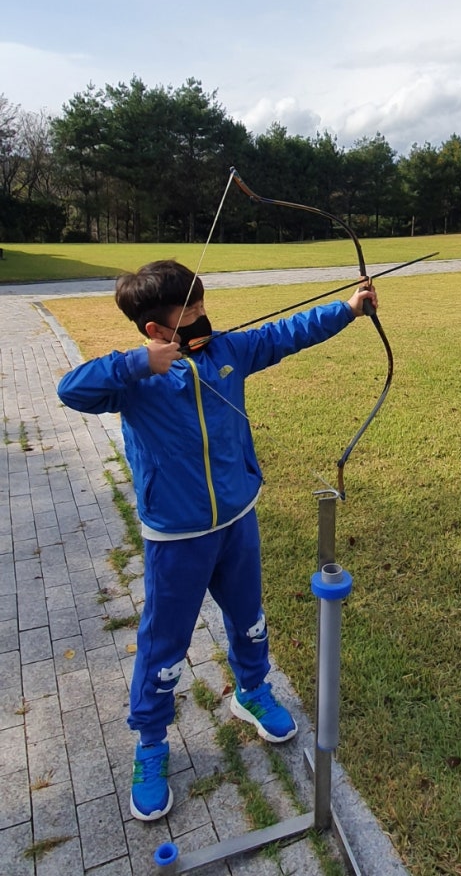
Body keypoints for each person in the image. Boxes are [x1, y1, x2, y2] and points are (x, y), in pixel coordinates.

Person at [57, 259, 378, 822]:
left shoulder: (227, 353)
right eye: (191, 315)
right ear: (157, 332)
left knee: (249, 618)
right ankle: (151, 744)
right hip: (176, 538)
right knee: (164, 646)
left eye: (205, 308)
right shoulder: (135, 383)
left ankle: (251, 692)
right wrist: (137, 365)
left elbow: (285, 334)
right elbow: (70, 390)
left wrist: (348, 310)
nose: (205, 321)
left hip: (237, 520)